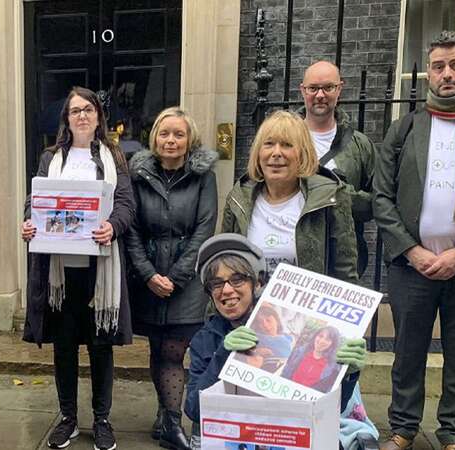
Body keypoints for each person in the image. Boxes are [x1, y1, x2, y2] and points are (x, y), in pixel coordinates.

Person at [373, 31, 455, 450]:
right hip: (410, 266)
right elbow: (382, 197)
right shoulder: (407, 128)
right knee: (407, 353)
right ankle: (402, 428)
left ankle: (454, 434)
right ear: (428, 74)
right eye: (438, 66)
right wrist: (411, 250)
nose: (446, 74)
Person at [21, 87, 135, 450]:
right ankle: (68, 418)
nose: (82, 116)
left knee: (101, 346)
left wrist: (113, 226)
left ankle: (101, 419)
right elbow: (35, 201)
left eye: (88, 109)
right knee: (65, 346)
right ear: (66, 119)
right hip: (60, 270)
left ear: (98, 116)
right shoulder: (50, 157)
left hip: (100, 269)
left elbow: (126, 203)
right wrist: (28, 222)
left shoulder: (114, 156)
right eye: (75, 111)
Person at [184, 233, 374, 450]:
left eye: (237, 279)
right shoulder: (205, 340)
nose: (226, 290)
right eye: (216, 284)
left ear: (258, 283)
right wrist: (223, 354)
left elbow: (334, 410)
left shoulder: (293, 340)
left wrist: (347, 374)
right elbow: (194, 410)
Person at [124, 106, 217, 450]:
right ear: (155, 138)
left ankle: (173, 423)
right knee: (157, 347)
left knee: (175, 351)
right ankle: (165, 413)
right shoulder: (138, 175)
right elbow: (131, 229)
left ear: (189, 139)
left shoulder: (204, 176)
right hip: (146, 275)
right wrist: (148, 274)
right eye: (165, 133)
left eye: (178, 134)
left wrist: (175, 277)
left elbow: (205, 227)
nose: (171, 140)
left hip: (186, 279)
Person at [220, 109, 358, 283]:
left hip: (306, 307)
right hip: (250, 308)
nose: (276, 153)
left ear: (302, 153)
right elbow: (223, 265)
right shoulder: (238, 198)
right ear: (258, 153)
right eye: (269, 144)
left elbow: (345, 273)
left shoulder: (330, 197)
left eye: (287, 145)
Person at [299, 61, 376, 277]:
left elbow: (377, 203)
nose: (320, 95)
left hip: (344, 259)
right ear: (302, 90)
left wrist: (337, 194)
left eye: (328, 87)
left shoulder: (360, 145)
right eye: (313, 88)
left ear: (339, 89)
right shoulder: (284, 141)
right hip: (294, 255)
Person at [280, 325, 341, 392]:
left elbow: (328, 390)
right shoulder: (298, 352)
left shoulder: (334, 367)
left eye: (327, 339)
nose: (321, 341)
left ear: (332, 344)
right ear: (315, 336)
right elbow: (285, 373)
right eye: (320, 336)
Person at [236, 304, 292, 371]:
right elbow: (242, 350)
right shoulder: (257, 337)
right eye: (260, 323)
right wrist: (257, 351)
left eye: (268, 320)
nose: (265, 325)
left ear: (277, 320)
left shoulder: (287, 337)